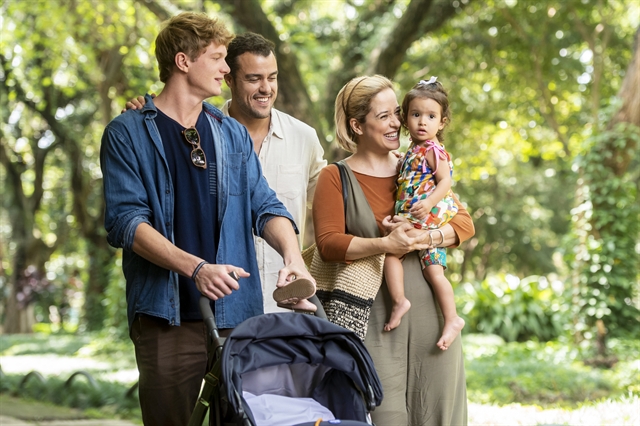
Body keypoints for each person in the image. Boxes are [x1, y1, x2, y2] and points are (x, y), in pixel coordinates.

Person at [100, 12, 314, 426]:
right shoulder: (126, 133)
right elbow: (126, 223)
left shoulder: (229, 132)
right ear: (183, 62)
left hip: (238, 316)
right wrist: (195, 268)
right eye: (217, 58)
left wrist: (292, 255)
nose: (226, 68)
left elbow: (265, 205)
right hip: (166, 317)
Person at [125, 32, 327, 313]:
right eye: (254, 78)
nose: (266, 88)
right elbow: (130, 220)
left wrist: (296, 261)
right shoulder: (185, 132)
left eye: (272, 77)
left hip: (274, 302)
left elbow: (294, 207)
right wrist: (145, 116)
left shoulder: (296, 137)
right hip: (196, 302)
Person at [313, 75, 474, 425]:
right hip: (375, 317)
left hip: (432, 314)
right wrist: (386, 244)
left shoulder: (414, 166)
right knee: (383, 414)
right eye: (384, 116)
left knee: (439, 413)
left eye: (397, 113)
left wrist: (422, 239)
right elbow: (328, 244)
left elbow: (463, 225)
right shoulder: (335, 177)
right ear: (357, 125)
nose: (397, 123)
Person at [383, 77, 465, 351]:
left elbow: (445, 182)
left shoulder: (434, 151)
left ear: (441, 122)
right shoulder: (411, 151)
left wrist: (429, 203)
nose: (422, 122)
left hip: (427, 216)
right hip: (415, 215)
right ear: (405, 118)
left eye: (431, 116)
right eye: (416, 114)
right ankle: (449, 317)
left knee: (393, 252)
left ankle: (402, 302)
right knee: (432, 270)